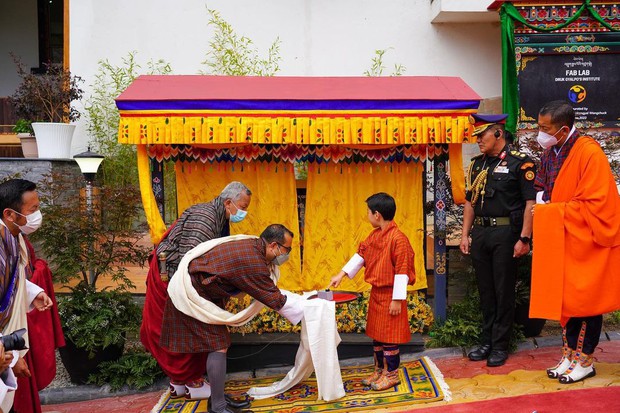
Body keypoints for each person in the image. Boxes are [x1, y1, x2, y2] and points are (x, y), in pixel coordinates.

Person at [161, 224, 304, 413]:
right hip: (190, 296)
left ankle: (217, 400)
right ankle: (218, 407)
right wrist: (309, 309)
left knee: (218, 343)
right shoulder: (253, 260)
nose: (287, 254)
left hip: (202, 293)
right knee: (218, 344)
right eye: (287, 249)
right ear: (274, 246)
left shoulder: (253, 246)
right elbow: (273, 297)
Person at [531, 100, 620, 384]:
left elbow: (598, 203)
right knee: (566, 300)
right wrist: (545, 204)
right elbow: (542, 190)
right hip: (562, 237)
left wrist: (551, 208)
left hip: (586, 239)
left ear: (563, 129)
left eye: (545, 128)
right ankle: (569, 355)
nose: (540, 133)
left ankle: (586, 360)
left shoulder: (588, 152)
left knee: (587, 301)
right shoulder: (549, 151)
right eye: (539, 126)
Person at [140, 181, 252, 403]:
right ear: (228, 202)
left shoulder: (215, 214)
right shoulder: (206, 219)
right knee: (198, 327)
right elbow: (190, 262)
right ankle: (193, 381)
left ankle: (178, 383)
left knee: (180, 328)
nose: (244, 212)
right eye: (243, 206)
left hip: (170, 275)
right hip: (175, 279)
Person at [459, 114, 536, 367]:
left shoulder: (520, 164)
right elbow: (470, 202)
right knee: (486, 290)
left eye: (483, 135)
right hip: (481, 233)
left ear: (499, 134)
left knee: (503, 290)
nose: (478, 140)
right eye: (477, 136)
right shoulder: (477, 164)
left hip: (506, 235)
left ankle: (500, 345)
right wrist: (465, 234)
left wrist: (524, 238)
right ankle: (486, 341)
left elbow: (530, 204)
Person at [330, 192, 415, 391]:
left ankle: (391, 374)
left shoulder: (398, 239)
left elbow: (402, 271)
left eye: (368, 212)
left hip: (391, 294)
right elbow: (361, 255)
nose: (367, 215)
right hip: (377, 293)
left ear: (377, 215)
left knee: (390, 337)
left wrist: (397, 299)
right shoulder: (374, 235)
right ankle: (379, 370)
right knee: (377, 336)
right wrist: (341, 274)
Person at [0, 179, 53, 412]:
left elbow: (15, 278)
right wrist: (10, 355)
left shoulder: (14, 236)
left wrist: (34, 292)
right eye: (32, 210)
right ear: (10, 214)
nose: (37, 215)